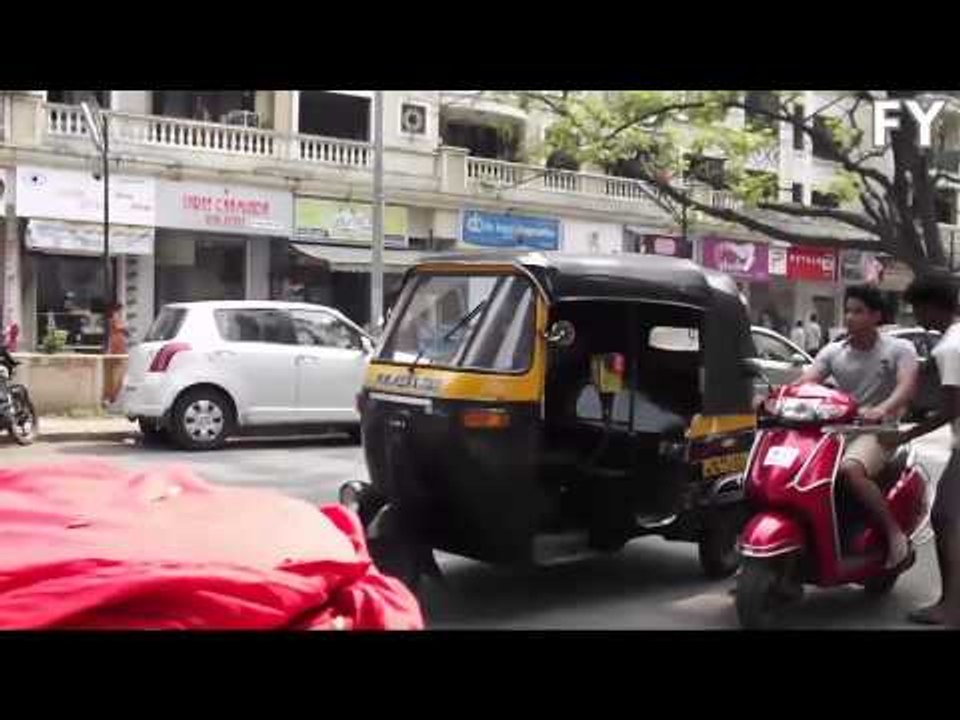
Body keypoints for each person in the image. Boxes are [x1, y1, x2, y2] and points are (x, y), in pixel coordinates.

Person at [796, 285, 919, 569]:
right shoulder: (834, 351)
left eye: (858, 311)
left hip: (879, 431)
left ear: (876, 315)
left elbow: (906, 386)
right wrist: (773, 398)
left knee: (850, 469)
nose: (850, 317)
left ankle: (893, 535)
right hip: (836, 431)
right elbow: (805, 382)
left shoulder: (899, 348)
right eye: (848, 311)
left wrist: (883, 409)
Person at [888, 277, 960, 626]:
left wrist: (905, 436)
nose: (917, 317)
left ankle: (950, 605)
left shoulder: (950, 347)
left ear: (933, 306)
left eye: (917, 309)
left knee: (945, 517)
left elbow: (951, 410)